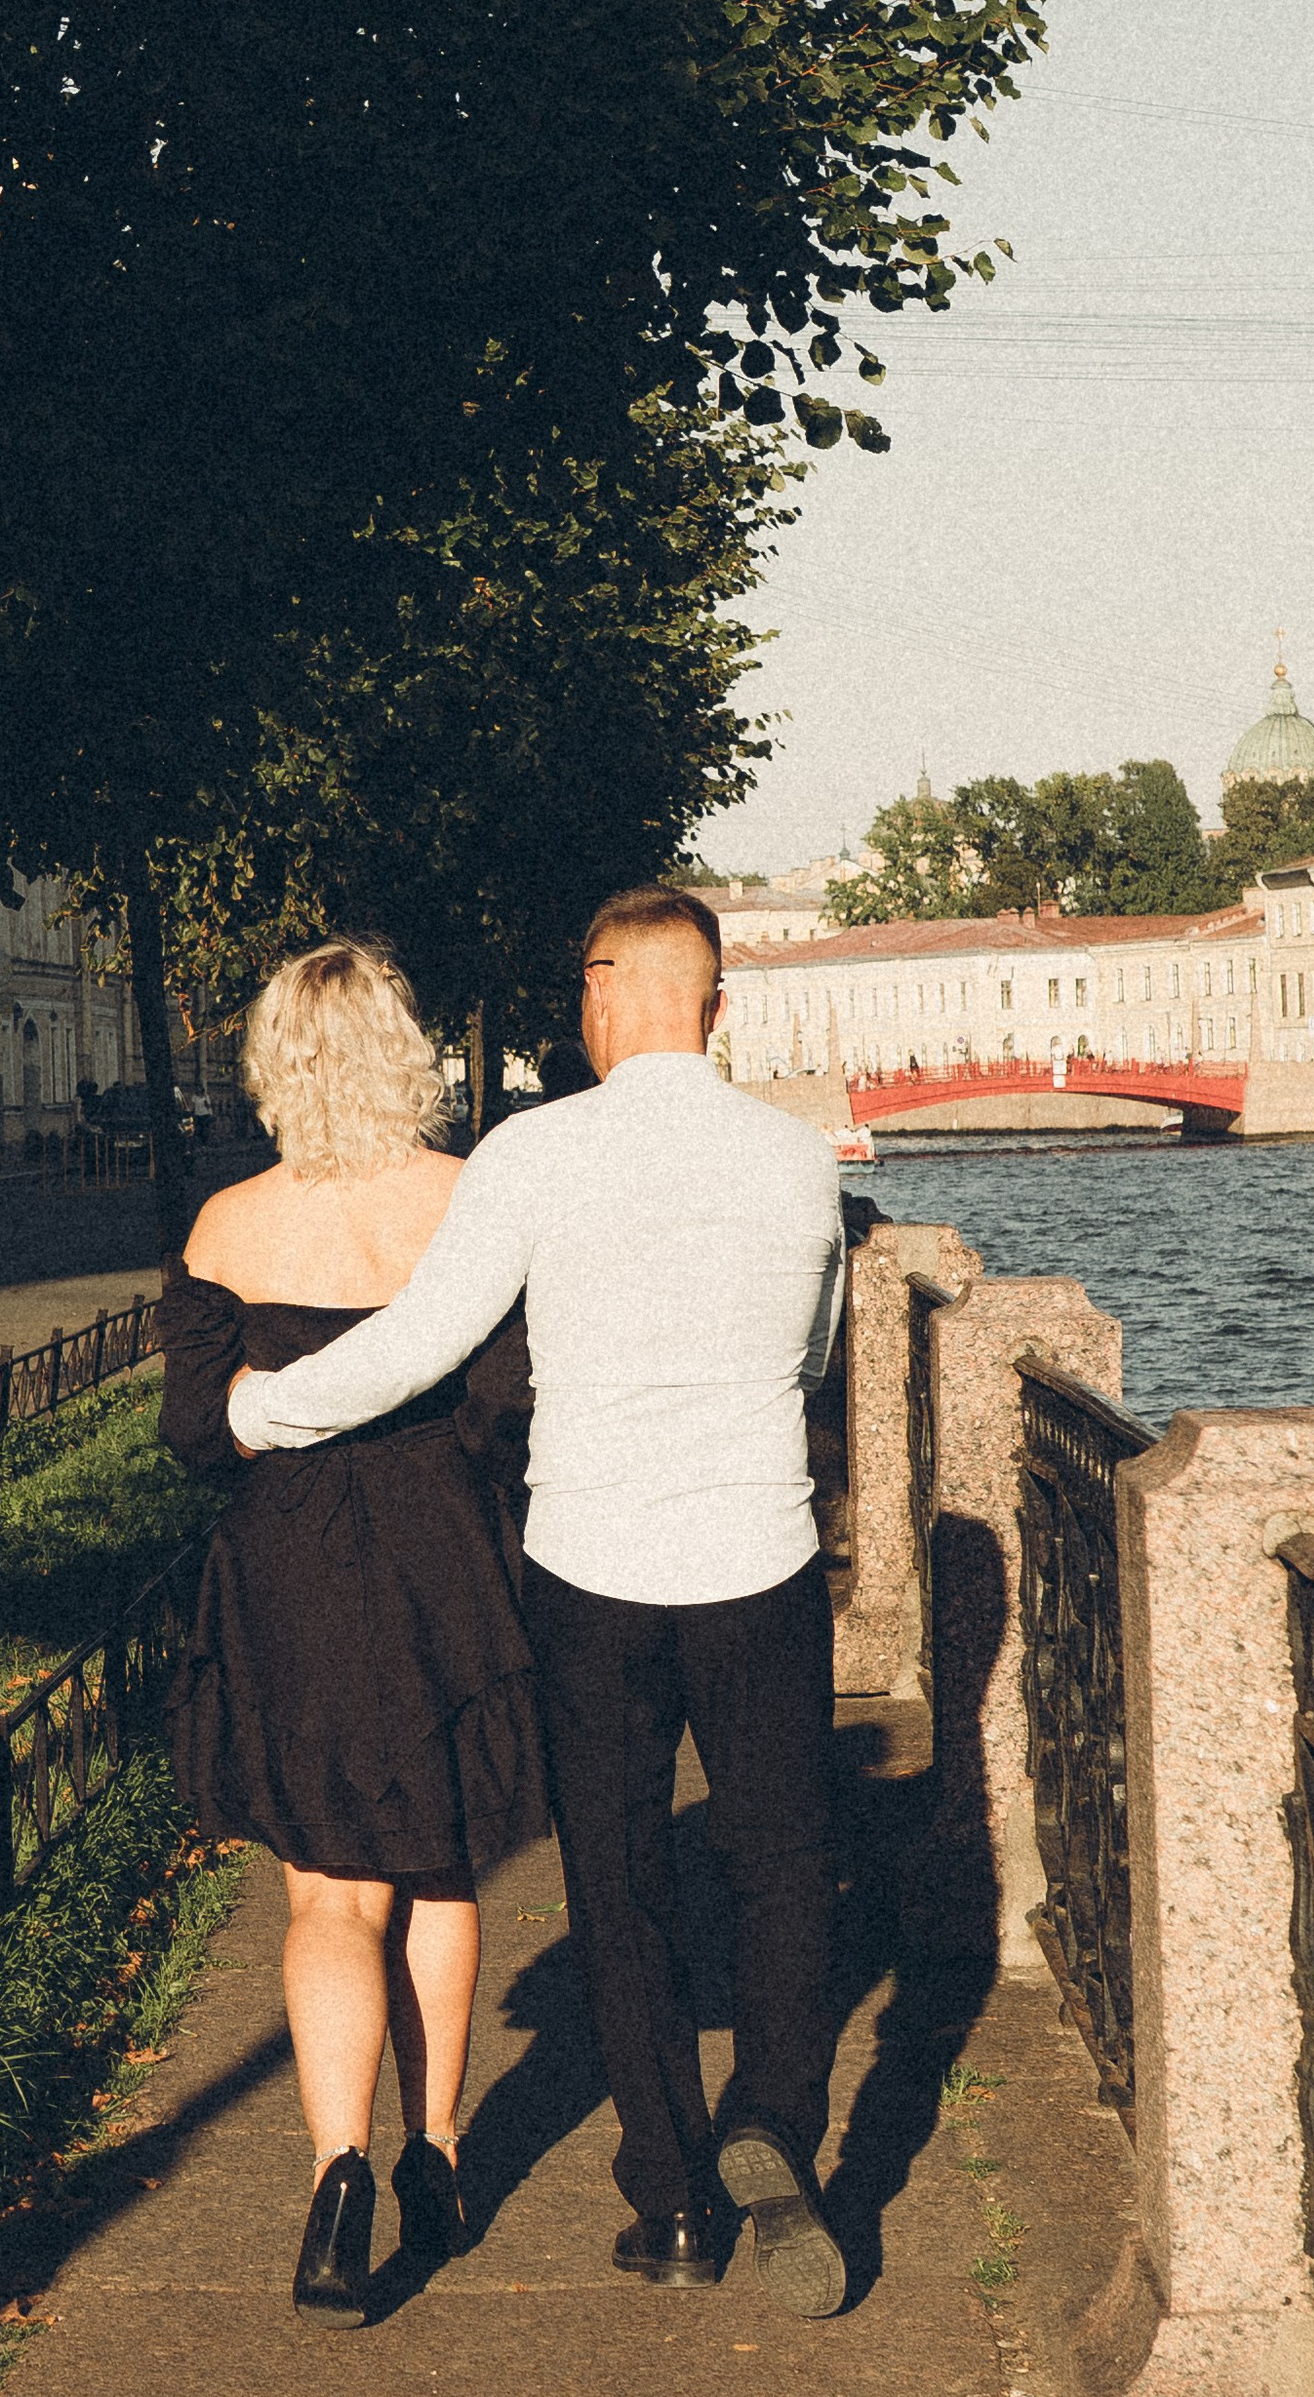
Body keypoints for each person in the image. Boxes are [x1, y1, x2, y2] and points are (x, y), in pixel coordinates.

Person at [228, 885, 849, 2319]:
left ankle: (679, 2201)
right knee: (777, 1861)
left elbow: (419, 1347)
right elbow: (813, 1354)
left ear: (598, 995)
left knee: (620, 1887)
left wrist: (265, 1410)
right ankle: (773, 2117)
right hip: (760, 1556)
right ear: (718, 1006)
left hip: (592, 1570)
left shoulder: (535, 1153)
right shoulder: (798, 1161)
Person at [163, 939, 544, 2326]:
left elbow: (195, 1435)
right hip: (442, 1557)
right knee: (440, 1865)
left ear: (275, 1064)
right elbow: (510, 1405)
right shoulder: (464, 1204)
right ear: (406, 1052)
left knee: (327, 1889)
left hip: (290, 1568)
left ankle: (337, 2173)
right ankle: (438, 2149)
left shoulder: (227, 1226)